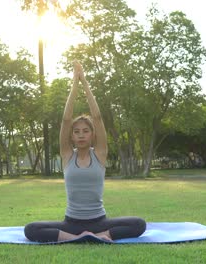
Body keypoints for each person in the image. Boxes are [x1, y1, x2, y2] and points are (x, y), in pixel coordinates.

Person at [24, 61, 146, 242]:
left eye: (85, 131)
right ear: (71, 136)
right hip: (71, 223)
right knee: (31, 229)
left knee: (139, 224)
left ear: (92, 135)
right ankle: (76, 237)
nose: (81, 135)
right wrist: (75, 83)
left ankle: (96, 236)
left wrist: (85, 83)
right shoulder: (67, 156)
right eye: (76, 132)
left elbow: (97, 117)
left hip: (99, 222)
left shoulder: (100, 154)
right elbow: (66, 120)